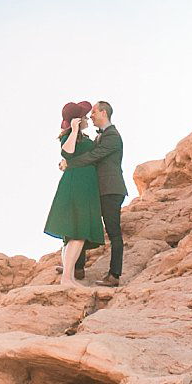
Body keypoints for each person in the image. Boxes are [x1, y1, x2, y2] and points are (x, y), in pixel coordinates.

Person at [43, 100, 104, 286]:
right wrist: (75, 129)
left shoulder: (82, 138)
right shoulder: (70, 136)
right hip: (76, 185)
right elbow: (67, 152)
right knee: (77, 232)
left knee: (74, 233)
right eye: (84, 116)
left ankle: (68, 276)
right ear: (76, 120)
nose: (87, 119)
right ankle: (67, 278)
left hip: (84, 185)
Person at [65, 99, 126, 282]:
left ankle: (114, 275)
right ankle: (77, 267)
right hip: (99, 190)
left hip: (111, 190)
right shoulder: (100, 136)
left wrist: (70, 163)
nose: (90, 116)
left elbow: (94, 156)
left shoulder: (112, 136)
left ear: (103, 113)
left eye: (93, 113)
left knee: (113, 232)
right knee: (82, 223)